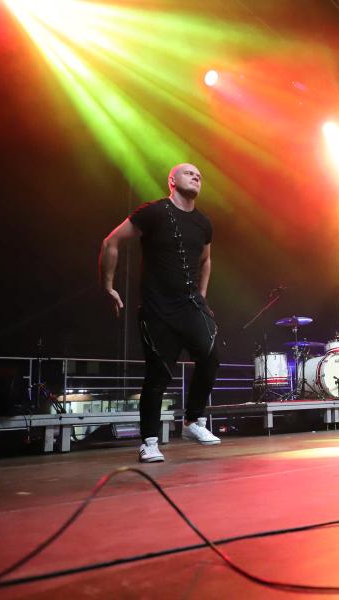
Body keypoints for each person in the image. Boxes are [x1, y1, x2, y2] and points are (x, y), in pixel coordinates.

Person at [99, 163, 221, 462]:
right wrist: (108, 286)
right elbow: (111, 241)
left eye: (199, 175)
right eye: (189, 173)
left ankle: (193, 421)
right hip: (158, 308)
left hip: (190, 304)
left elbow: (206, 260)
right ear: (172, 181)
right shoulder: (153, 212)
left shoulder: (203, 223)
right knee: (158, 375)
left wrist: (203, 294)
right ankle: (149, 442)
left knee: (211, 355)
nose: (196, 176)